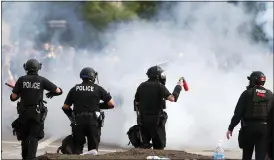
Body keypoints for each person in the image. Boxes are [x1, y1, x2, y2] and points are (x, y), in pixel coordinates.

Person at [10, 59, 62, 160]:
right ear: (38, 68)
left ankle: (25, 158)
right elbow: (58, 91)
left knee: (24, 137)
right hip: (36, 113)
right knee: (33, 136)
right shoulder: (41, 80)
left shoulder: (21, 80)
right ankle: (31, 157)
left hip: (24, 113)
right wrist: (52, 93)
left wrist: (20, 93)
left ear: (26, 68)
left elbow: (13, 97)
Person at [62, 67, 115, 154]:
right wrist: (97, 105)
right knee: (93, 151)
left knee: (77, 149)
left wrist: (72, 117)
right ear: (93, 76)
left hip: (78, 122)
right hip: (93, 122)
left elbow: (65, 107)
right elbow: (111, 104)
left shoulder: (74, 89)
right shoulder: (98, 88)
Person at [133, 65, 185, 150]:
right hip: (156, 122)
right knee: (159, 149)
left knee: (144, 149)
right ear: (157, 75)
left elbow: (137, 102)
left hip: (143, 121)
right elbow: (172, 98)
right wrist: (179, 86)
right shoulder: (159, 86)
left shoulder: (141, 86)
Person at [226, 71, 273, 160]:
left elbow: (238, 114)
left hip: (248, 128)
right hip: (264, 129)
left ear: (252, 81)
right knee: (261, 157)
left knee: (247, 156)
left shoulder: (247, 93)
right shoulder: (270, 95)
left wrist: (231, 128)